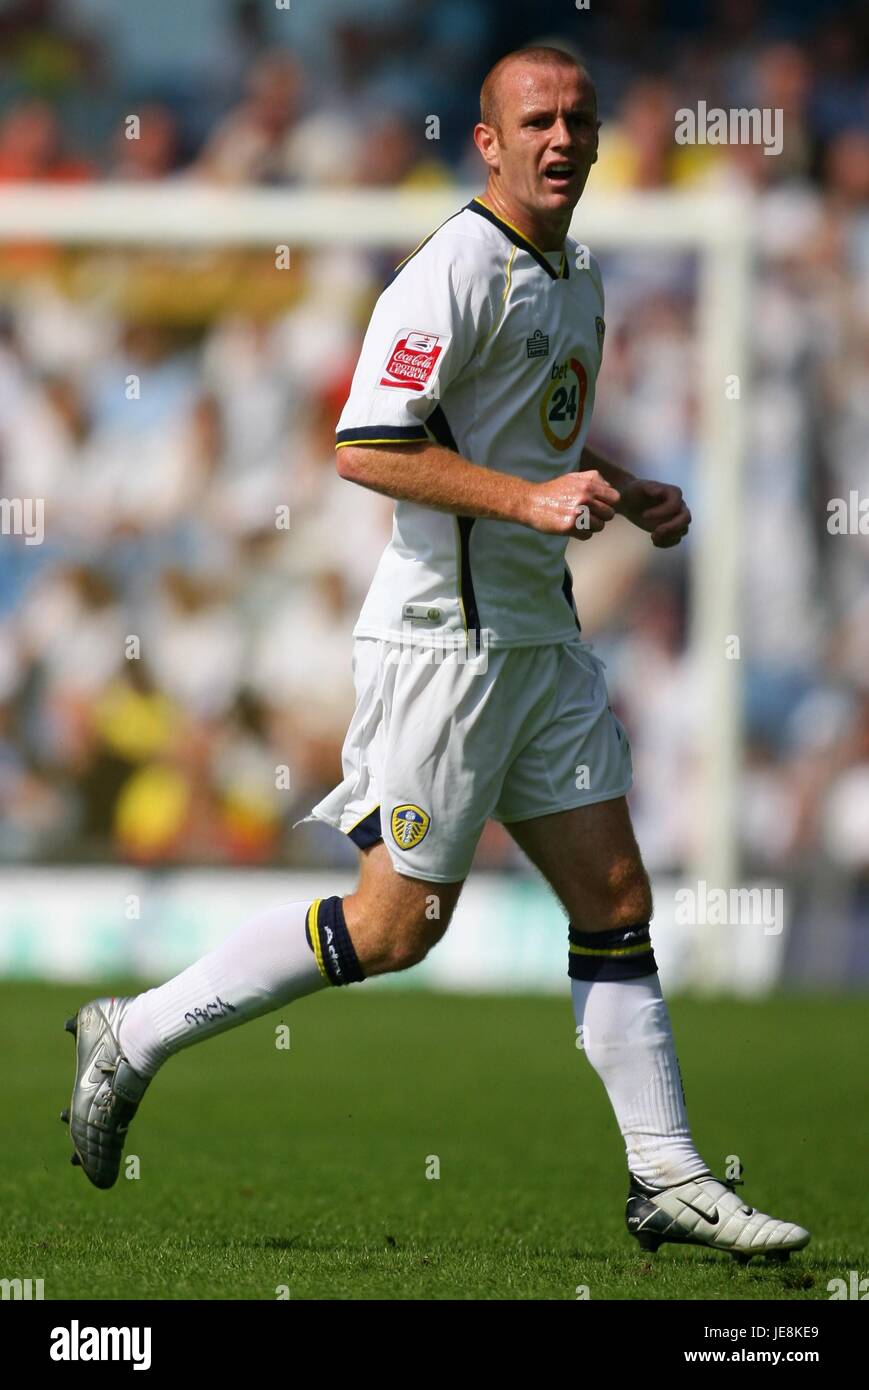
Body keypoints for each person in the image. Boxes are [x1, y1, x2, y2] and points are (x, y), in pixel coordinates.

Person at [63, 46, 809, 1261]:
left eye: (577, 118)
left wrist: (620, 485)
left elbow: (530, 431)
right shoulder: (450, 270)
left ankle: (665, 1175)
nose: (561, 138)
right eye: (536, 121)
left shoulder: (574, 269)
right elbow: (366, 446)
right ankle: (134, 1034)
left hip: (538, 635)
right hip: (443, 646)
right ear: (488, 141)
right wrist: (526, 508)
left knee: (615, 897)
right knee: (398, 925)